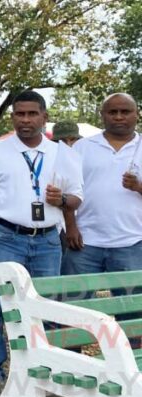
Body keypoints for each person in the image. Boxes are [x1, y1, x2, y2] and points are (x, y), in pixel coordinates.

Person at [0, 90, 84, 397]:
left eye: (32, 114)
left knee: (46, 308)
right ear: (13, 117)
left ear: (44, 117)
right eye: (20, 114)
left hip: (48, 239)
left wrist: (60, 200)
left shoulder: (64, 153)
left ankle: (46, 379)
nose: (25, 120)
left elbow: (76, 198)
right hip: (7, 236)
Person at [63, 93, 142, 330]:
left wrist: (138, 187)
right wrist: (71, 226)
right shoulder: (83, 147)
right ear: (103, 115)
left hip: (131, 243)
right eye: (112, 112)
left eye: (125, 111)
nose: (119, 117)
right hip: (85, 242)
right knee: (74, 310)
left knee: (132, 312)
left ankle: (131, 366)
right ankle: (72, 362)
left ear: (136, 115)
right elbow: (67, 190)